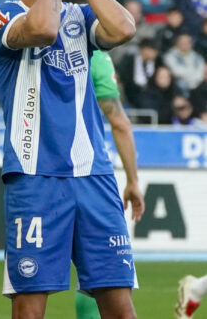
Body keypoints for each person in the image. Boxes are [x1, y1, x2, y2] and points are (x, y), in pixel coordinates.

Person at [0, 0, 140, 318]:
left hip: (94, 176)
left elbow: (124, 28)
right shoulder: (1, 16)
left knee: (119, 305)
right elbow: (42, 29)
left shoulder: (79, 16)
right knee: (30, 308)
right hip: (35, 177)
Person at [75, 50, 146, 319]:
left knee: (31, 291)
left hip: (39, 174)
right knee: (104, 273)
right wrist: (133, 180)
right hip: (89, 175)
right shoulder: (95, 57)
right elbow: (119, 122)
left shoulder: (34, 41)